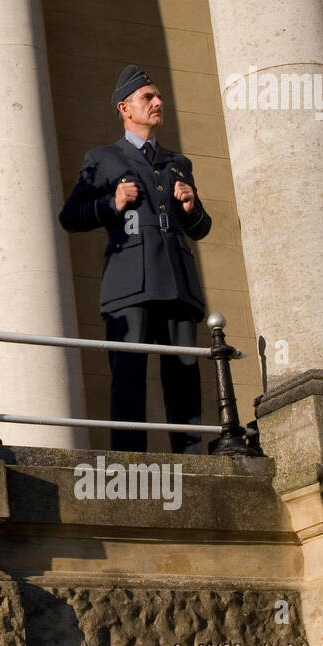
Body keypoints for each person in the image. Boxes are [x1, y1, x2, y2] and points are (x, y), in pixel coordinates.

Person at [58, 65, 211, 454]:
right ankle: (128, 462)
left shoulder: (179, 162)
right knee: (128, 379)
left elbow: (201, 227)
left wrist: (190, 206)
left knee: (185, 379)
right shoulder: (103, 158)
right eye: (148, 98)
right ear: (125, 108)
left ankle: (192, 461)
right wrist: (112, 203)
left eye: (158, 97)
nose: (158, 103)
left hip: (177, 284)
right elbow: (71, 217)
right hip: (130, 286)